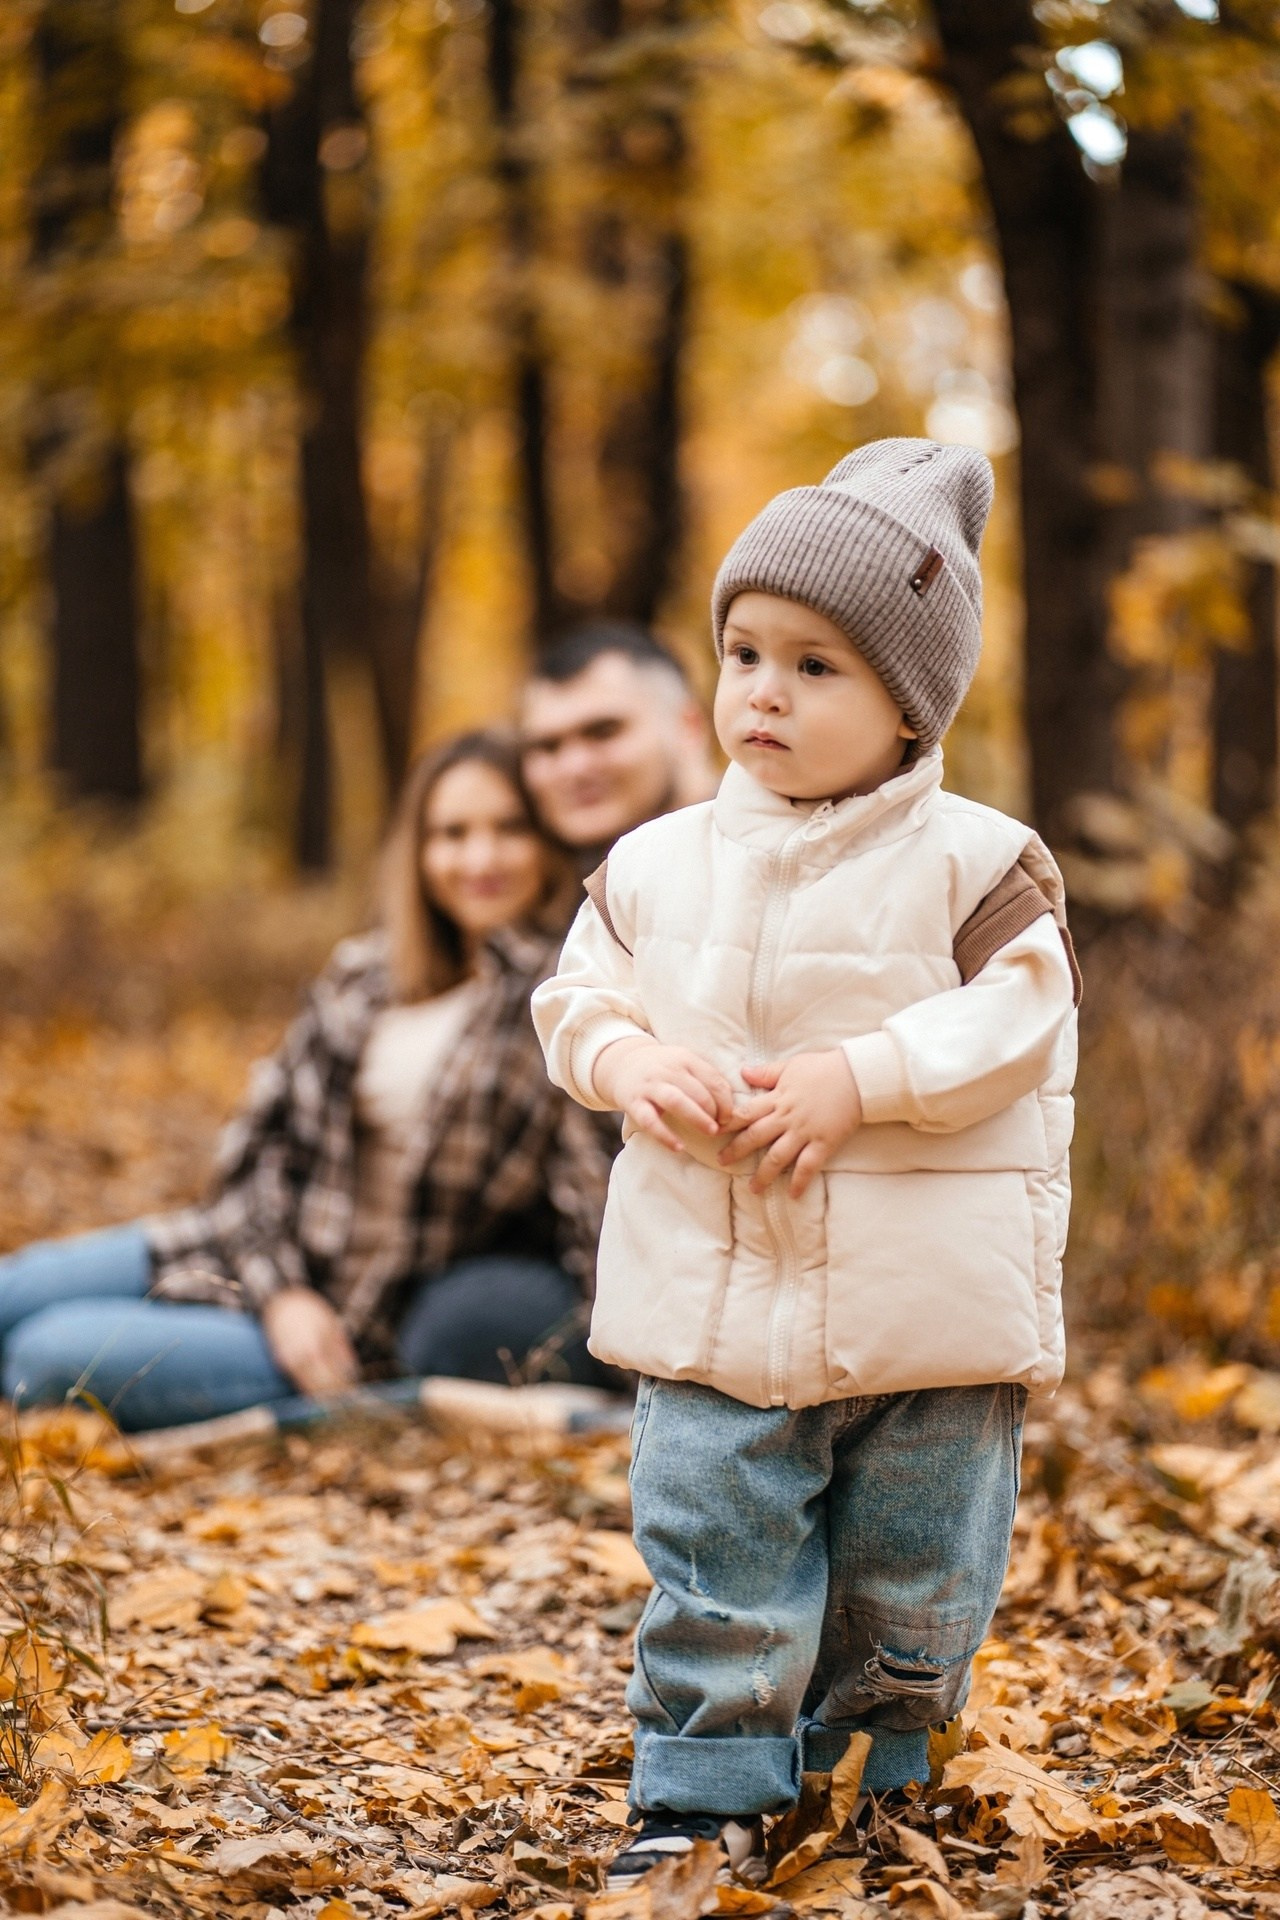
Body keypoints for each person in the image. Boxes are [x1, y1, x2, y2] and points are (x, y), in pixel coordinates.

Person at [533, 440, 1080, 1884]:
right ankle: (706, 1786)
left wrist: (861, 1079)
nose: (762, 693)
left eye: (816, 667)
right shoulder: (655, 864)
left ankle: (881, 1773)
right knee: (715, 1545)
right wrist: (630, 1062)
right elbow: (577, 1000)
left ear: (911, 708)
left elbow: (1023, 1019)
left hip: (927, 1316)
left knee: (917, 1570)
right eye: (744, 653)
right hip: (715, 1298)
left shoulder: (980, 862)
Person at [0, 732, 613, 1431]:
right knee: (9, 1294)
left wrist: (642, 1383)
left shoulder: (560, 1002)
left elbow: (592, 1205)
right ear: (416, 850)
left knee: (43, 1356)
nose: (479, 858)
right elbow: (255, 1152)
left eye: (509, 829)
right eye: (451, 833)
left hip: (341, 1327)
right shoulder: (365, 974)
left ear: (546, 845)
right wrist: (281, 1291)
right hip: (236, 1250)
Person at [520, 620, 717, 865]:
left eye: (603, 732)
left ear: (689, 727)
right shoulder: (561, 892)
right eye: (548, 746)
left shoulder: (766, 864)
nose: (574, 767)